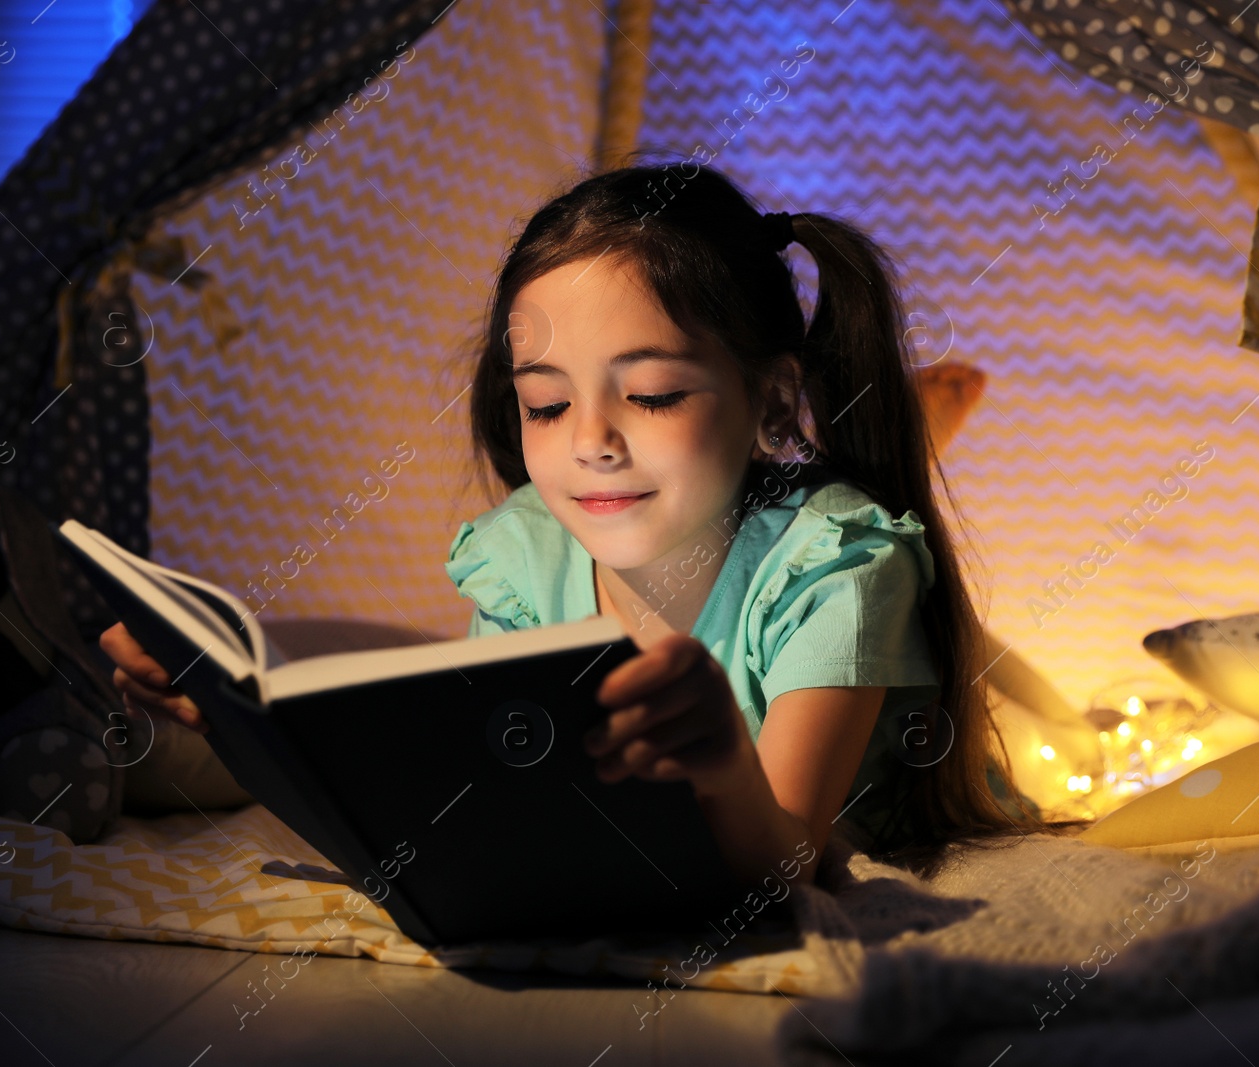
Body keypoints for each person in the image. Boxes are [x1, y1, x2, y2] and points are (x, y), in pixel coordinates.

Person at [101, 160, 1045, 885]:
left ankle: (916, 426)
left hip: (840, 807)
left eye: (652, 394)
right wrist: (243, 734)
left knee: (1034, 697)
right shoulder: (527, 561)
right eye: (547, 407)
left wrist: (720, 761)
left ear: (770, 400)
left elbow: (785, 865)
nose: (591, 441)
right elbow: (480, 813)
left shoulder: (835, 564)